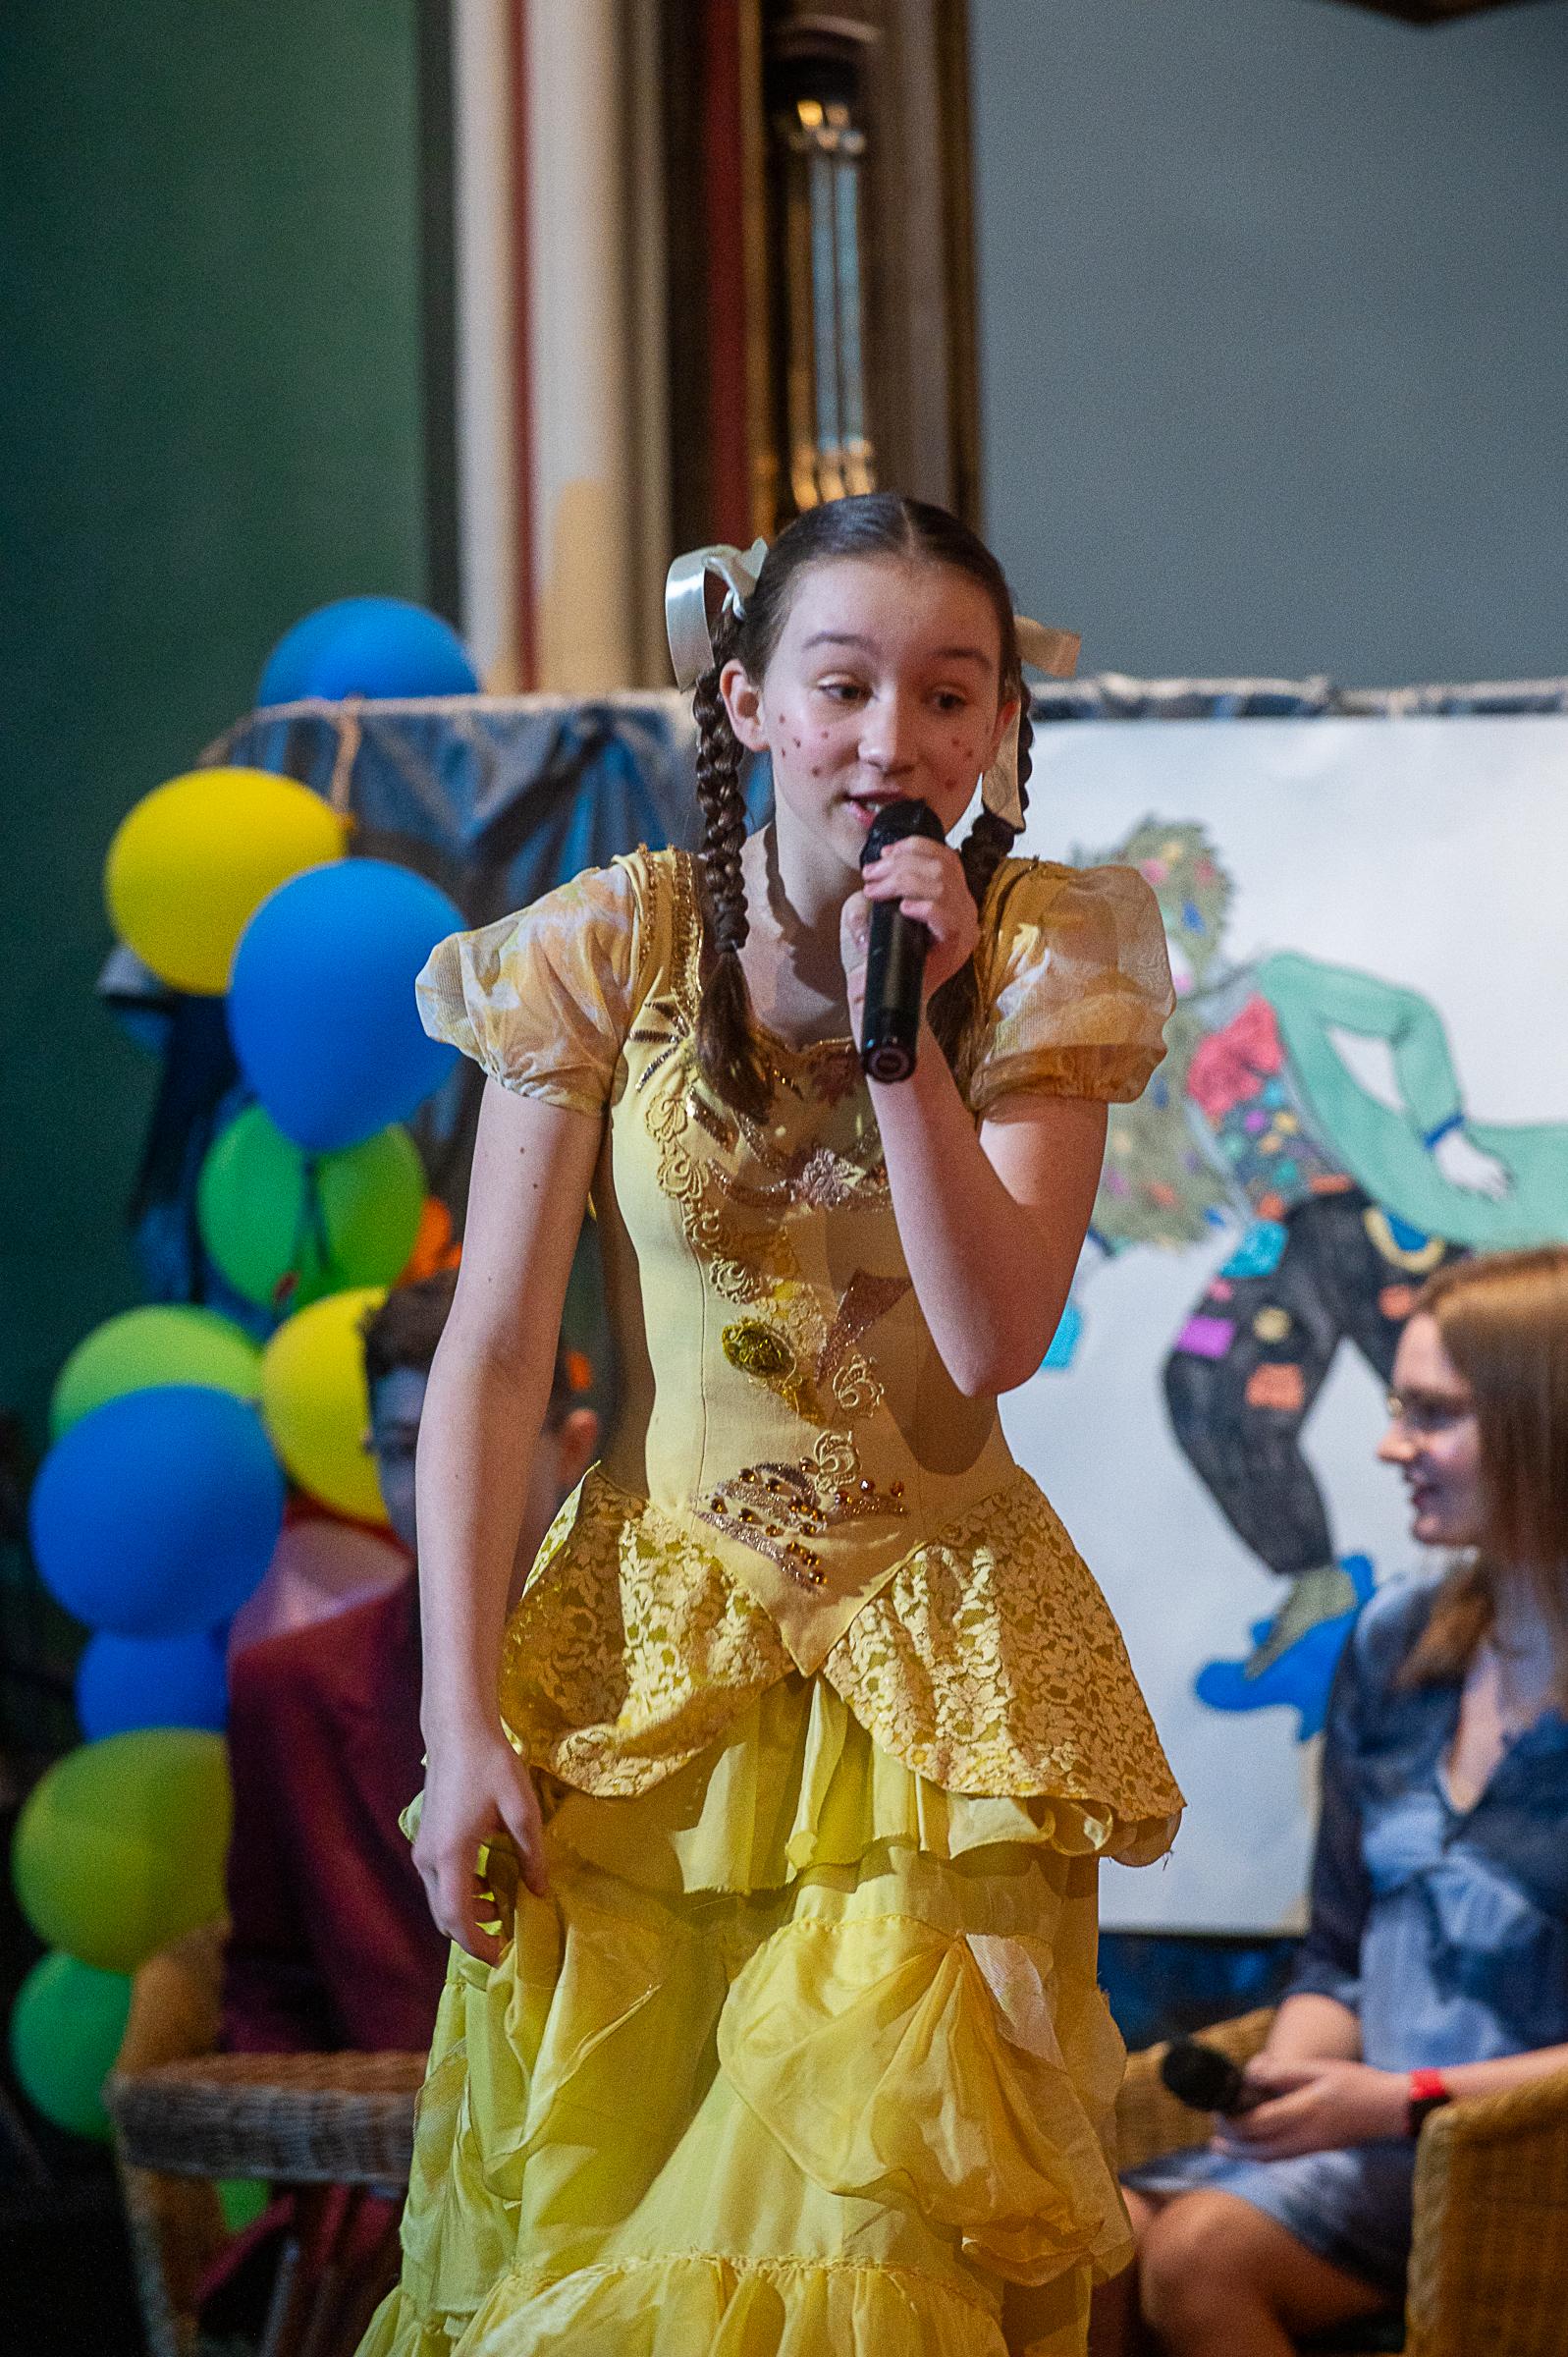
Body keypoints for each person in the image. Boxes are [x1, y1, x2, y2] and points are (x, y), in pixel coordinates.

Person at [362, 493, 1185, 2357]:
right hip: (651, 1687)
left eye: (947, 695)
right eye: (843, 686)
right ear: (746, 702)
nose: (892, 739)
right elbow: (494, 1354)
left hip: (936, 1699)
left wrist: (904, 1039)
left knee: (866, 2255)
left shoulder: (1044, 950)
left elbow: (993, 1335)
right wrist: (457, 1720)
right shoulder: (612, 944)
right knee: (603, 2261)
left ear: (996, 730)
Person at [1108, 1245, 1568, 2355]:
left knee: (1199, 2255)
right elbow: (1342, 1951)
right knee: (1087, 2243)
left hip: (1525, 2160)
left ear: (1542, 1426)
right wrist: (1294, 2082)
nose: (1388, 1445)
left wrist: (1400, 2099)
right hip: (1374, 2140)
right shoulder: (1392, 1640)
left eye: (1432, 1415)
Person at [222, 1269, 598, 2055]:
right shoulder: (288, 1689)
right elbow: (269, 1981)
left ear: (570, 1448)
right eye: (406, 1449)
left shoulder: (665, 1673)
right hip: (381, 2119)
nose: (440, 1483)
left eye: (481, 1442)